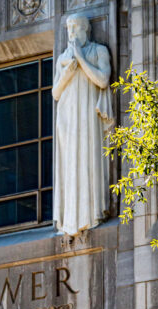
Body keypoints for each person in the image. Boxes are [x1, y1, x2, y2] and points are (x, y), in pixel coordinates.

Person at [52, 14, 114, 236]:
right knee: (69, 162)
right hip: (68, 115)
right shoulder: (63, 58)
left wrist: (81, 58)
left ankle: (91, 214)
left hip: (88, 116)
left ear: (86, 29)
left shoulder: (98, 51)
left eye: (76, 27)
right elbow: (55, 92)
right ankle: (69, 220)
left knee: (88, 158)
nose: (71, 31)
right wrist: (69, 71)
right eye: (69, 27)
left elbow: (103, 80)